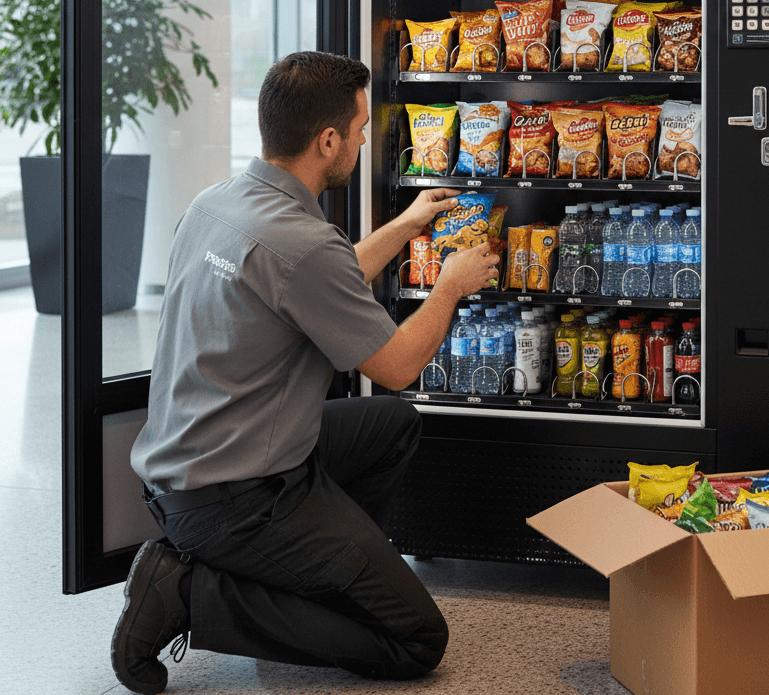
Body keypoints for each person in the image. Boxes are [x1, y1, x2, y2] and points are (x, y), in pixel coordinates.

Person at [111, 52, 498, 695]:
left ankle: (322, 575)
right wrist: (450, 287)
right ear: (327, 141)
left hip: (190, 464)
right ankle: (187, 593)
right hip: (238, 497)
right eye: (361, 127)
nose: (365, 137)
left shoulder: (219, 203)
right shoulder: (303, 243)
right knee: (416, 642)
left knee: (390, 427)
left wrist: (405, 226)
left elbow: (319, 279)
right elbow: (398, 367)